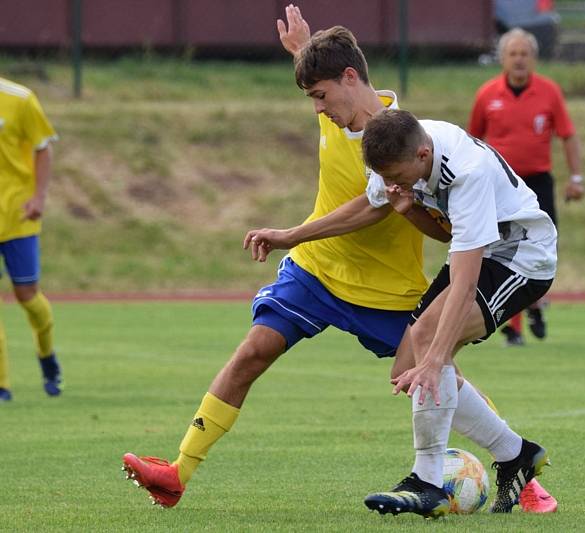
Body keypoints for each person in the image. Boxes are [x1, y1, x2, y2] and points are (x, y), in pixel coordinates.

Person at [121, 6, 554, 513]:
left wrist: (410, 218)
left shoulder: (404, 139)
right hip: (318, 270)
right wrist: (291, 236)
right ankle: (178, 472)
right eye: (312, 97)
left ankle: (516, 463)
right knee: (253, 352)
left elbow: (452, 243)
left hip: (404, 282)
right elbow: (368, 202)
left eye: (321, 97)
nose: (318, 110)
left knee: (429, 365)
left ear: (351, 80)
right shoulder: (345, 116)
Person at [359, 109, 558, 517]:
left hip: (522, 254)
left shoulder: (468, 174)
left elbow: (465, 284)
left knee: (430, 349)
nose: (392, 185)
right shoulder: (396, 156)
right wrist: (292, 236)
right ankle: (515, 453)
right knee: (406, 367)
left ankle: (427, 482)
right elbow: (375, 208)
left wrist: (435, 361)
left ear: (423, 155)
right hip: (482, 249)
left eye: (398, 177)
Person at [468, 27, 585, 345]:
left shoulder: (549, 92)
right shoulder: (487, 94)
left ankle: (533, 302)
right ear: (503, 58)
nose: (519, 60)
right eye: (513, 54)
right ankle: (513, 325)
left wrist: (577, 178)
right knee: (500, 250)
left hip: (536, 183)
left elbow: (568, 135)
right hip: (500, 184)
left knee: (542, 249)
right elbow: (471, 142)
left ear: (534, 58)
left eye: (524, 54)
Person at [0, 77, 62, 402]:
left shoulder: (19, 99)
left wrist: (39, 197)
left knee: (27, 296)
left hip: (17, 216)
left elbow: (43, 146)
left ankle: (47, 353)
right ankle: (2, 385)